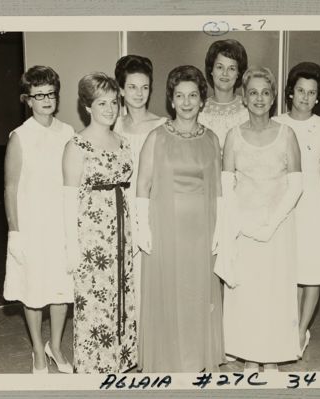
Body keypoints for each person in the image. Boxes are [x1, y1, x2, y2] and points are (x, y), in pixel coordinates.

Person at [136, 65, 224, 372]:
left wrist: (219, 229)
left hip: (202, 229)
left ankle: (195, 359)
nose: (186, 102)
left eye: (193, 95)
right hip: (165, 228)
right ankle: (169, 360)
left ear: (202, 100)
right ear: (171, 101)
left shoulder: (212, 139)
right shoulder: (156, 137)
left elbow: (219, 190)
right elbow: (142, 186)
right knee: (169, 292)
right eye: (179, 96)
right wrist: (142, 227)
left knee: (196, 292)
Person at [221, 66, 303, 372]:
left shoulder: (287, 134)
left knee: (274, 291)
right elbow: (227, 182)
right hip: (243, 225)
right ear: (244, 97)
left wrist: (271, 224)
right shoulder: (233, 136)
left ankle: (272, 355)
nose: (259, 98)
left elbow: (297, 184)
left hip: (278, 226)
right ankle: (249, 354)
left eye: (265, 92)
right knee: (247, 292)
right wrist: (241, 222)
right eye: (252, 92)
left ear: (273, 99)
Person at [62, 72, 136, 373]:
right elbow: (68, 200)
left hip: (122, 232)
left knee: (122, 298)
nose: (110, 108)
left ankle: (122, 362)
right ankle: (95, 371)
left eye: (114, 102)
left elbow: (129, 191)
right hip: (92, 238)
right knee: (95, 303)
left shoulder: (124, 141)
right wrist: (72, 248)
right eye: (101, 103)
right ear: (87, 107)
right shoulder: (76, 146)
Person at [3, 65, 74, 374]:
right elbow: (10, 188)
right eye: (39, 95)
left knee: (61, 288)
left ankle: (55, 346)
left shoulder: (69, 132)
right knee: (33, 289)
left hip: (60, 224)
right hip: (32, 225)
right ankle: (36, 348)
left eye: (51, 93)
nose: (46, 99)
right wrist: (14, 232)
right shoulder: (20, 137)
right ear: (28, 100)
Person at [272, 62, 320, 357]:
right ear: (290, 93)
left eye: (312, 93)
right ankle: (287, 325)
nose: (306, 98)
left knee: (312, 272)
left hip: (314, 209)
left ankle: (299, 331)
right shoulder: (277, 124)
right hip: (284, 206)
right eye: (300, 91)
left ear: (318, 97)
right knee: (288, 270)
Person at [113, 55, 166, 326]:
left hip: (151, 208)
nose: (139, 94)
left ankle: (151, 342)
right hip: (119, 210)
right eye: (132, 87)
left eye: (144, 87)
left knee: (150, 277)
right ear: (120, 90)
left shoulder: (161, 126)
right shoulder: (113, 125)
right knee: (124, 279)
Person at [198, 38, 249, 148]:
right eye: (220, 67)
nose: (225, 73)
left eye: (231, 68)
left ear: (238, 73)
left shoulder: (248, 108)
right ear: (211, 70)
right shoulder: (198, 109)